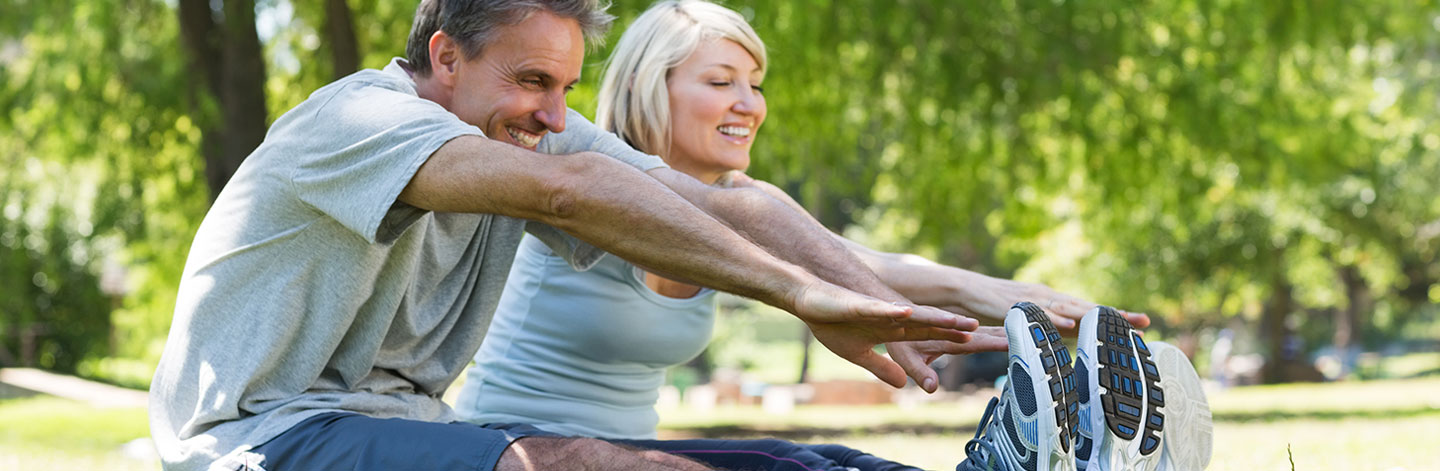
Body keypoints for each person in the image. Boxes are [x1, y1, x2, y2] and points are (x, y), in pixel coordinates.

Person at [146, 1, 991, 470]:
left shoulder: (523, 127)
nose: (554, 115)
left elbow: (718, 202)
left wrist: (865, 301)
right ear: (446, 57)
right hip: (258, 438)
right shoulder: (358, 120)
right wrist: (798, 293)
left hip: (411, 427)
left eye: (566, 87)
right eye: (531, 80)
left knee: (800, 464)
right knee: (578, 467)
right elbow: (570, 192)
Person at [454, 2, 1156, 470]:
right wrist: (990, 300)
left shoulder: (742, 203)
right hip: (521, 450)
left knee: (848, 462)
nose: (748, 104)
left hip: (633, 450)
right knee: (795, 466)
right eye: (721, 81)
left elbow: (856, 263)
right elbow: (826, 268)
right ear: (649, 87)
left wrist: (1014, 298)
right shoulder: (585, 175)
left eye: (755, 84)